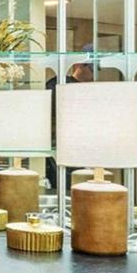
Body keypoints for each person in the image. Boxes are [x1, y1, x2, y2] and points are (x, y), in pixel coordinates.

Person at [44, 61, 94, 191]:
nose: (93, 73)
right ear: (79, 66)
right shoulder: (58, 85)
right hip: (59, 146)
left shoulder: (89, 90)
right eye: (91, 68)